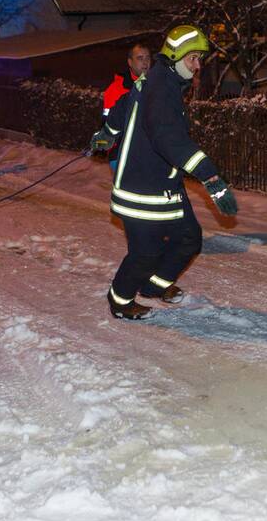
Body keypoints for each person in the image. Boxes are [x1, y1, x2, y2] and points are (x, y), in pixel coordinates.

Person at [89, 25, 239, 320]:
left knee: (189, 238)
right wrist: (211, 178)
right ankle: (120, 300)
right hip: (142, 186)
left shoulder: (157, 80)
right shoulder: (161, 89)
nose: (197, 66)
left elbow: (125, 103)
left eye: (199, 59)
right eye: (192, 58)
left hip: (164, 183)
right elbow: (170, 140)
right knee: (146, 253)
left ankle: (152, 285)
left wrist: (109, 131)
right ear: (176, 55)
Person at [101, 43, 152, 171]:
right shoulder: (116, 90)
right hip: (122, 154)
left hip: (151, 154)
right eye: (140, 58)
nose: (145, 62)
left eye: (147, 58)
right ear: (130, 62)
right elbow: (107, 125)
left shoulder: (157, 86)